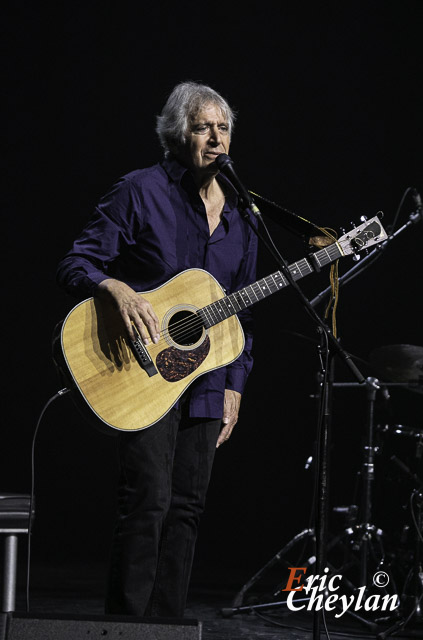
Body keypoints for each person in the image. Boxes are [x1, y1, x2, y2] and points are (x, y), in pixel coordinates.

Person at [56, 81, 258, 618]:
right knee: (148, 501)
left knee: (188, 508)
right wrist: (113, 286)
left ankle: (166, 627)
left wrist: (235, 386)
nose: (216, 139)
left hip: (209, 379)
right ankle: (125, 627)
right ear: (178, 135)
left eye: (223, 128)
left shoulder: (243, 217)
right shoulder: (140, 190)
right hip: (142, 373)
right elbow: (76, 261)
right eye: (202, 128)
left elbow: (240, 315)